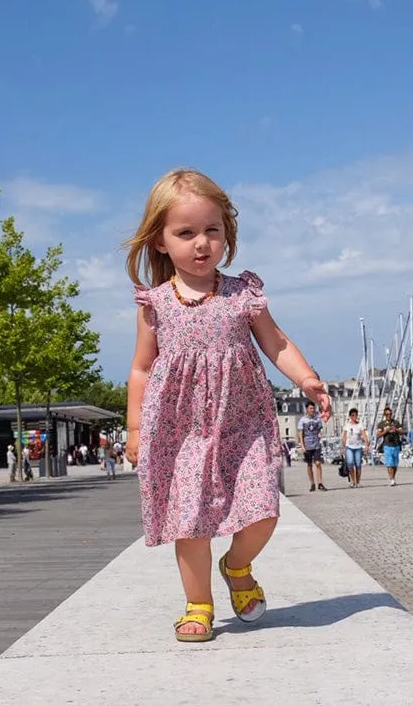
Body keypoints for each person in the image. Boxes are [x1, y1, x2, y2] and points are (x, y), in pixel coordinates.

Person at [125, 168, 331, 643]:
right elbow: (141, 368)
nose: (201, 243)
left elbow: (276, 343)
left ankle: (237, 566)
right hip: (181, 430)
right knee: (189, 520)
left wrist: (307, 379)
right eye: (186, 233)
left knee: (263, 510)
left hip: (242, 424)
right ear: (160, 241)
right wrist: (135, 429)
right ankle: (198, 603)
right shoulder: (155, 304)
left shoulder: (244, 294)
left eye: (211, 231)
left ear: (227, 234)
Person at [298, 401, 327, 492]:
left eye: (313, 408)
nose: (312, 410)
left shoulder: (317, 419)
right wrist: (302, 445)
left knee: (318, 463)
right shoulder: (302, 420)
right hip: (307, 445)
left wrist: (319, 434)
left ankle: (320, 483)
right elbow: (300, 434)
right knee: (309, 464)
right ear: (307, 409)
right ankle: (312, 483)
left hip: (316, 444)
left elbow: (319, 430)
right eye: (310, 408)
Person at [376, 407, 406, 486]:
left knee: (395, 464)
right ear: (384, 415)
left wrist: (395, 429)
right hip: (387, 444)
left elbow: (403, 432)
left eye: (390, 414)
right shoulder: (381, 424)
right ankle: (391, 479)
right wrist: (385, 431)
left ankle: (393, 477)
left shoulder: (396, 423)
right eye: (387, 414)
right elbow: (378, 435)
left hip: (396, 444)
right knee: (389, 463)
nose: (389, 416)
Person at [340, 408, 369, 488]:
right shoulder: (347, 425)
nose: (354, 417)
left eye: (356, 415)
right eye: (353, 415)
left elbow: (364, 435)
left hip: (358, 447)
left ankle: (358, 482)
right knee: (350, 464)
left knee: (358, 465)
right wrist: (342, 448)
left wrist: (366, 445)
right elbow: (344, 437)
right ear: (350, 416)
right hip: (349, 446)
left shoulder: (360, 425)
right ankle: (353, 480)